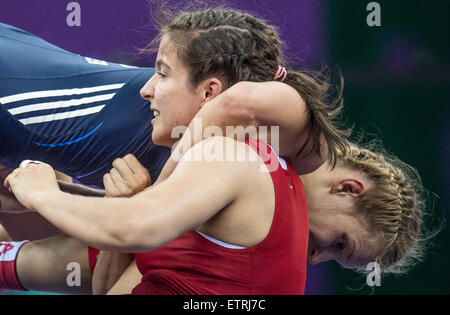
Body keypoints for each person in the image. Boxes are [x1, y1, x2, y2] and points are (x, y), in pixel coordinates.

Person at [1, 8, 427, 295]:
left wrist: (96, 201)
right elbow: (237, 101)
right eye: (339, 243)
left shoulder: (236, 216)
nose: (316, 255)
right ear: (349, 188)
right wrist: (158, 187)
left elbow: (115, 265)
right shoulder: (299, 144)